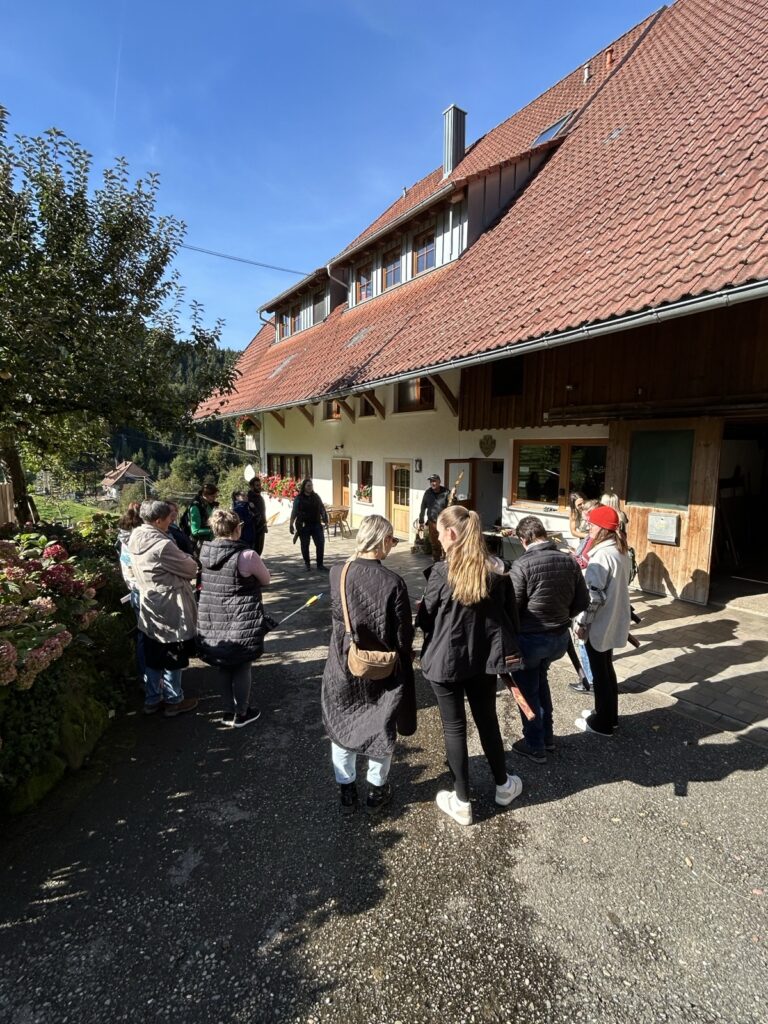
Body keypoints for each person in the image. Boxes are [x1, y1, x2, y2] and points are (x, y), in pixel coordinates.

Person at [416, 505, 523, 826]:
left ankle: (462, 801)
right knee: (487, 720)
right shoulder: (497, 571)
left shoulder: (441, 572)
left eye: (438, 532)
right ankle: (503, 785)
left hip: (445, 662)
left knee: (454, 728)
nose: (437, 537)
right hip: (483, 660)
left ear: (451, 534)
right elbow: (511, 618)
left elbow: (425, 620)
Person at [322, 515, 415, 813]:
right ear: (383, 541)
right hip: (382, 668)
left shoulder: (338, 573)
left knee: (342, 726)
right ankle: (376, 790)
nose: (393, 545)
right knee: (381, 725)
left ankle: (346, 790)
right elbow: (403, 635)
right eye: (393, 540)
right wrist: (406, 656)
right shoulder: (393, 582)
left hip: (343, 663)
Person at [508, 516, 589, 763]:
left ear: (524, 539)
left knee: (528, 690)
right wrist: (561, 616)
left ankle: (535, 744)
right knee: (540, 683)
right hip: (558, 638)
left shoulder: (522, 565)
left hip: (530, 639)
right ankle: (547, 737)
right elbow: (583, 601)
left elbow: (512, 607)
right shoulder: (569, 561)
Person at [197, 509, 271, 728]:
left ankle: (228, 711)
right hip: (240, 615)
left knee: (223, 664)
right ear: (238, 528)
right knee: (241, 665)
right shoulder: (246, 555)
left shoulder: (205, 552)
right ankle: (242, 712)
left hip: (213, 614)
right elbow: (266, 579)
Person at [129, 500, 199, 717]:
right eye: (169, 518)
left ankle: (152, 699)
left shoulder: (135, 536)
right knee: (172, 654)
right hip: (169, 604)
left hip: (149, 602)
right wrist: (187, 558)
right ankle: (174, 700)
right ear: (158, 521)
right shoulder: (162, 545)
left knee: (152, 654)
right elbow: (191, 568)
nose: (172, 521)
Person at [573, 505, 632, 737]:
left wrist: (581, 624)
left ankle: (603, 724)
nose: (588, 527)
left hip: (599, 622)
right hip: (613, 617)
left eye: (592, 524)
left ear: (602, 528)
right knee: (606, 668)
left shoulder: (601, 555)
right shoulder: (620, 549)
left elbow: (593, 597)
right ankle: (607, 715)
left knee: (600, 672)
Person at [117, 505, 145, 686]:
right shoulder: (137, 542)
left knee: (142, 637)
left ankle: (145, 678)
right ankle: (155, 682)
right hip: (146, 592)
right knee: (153, 639)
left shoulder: (123, 541)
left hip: (134, 591)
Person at [290, 478, 329, 571]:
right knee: (305, 545)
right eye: (308, 486)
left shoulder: (316, 497)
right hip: (304, 525)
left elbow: (322, 508)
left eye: (311, 485)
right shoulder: (299, 498)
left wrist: (325, 520)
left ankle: (320, 564)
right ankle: (307, 563)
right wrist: (291, 524)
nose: (310, 487)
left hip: (316, 524)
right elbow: (294, 512)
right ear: (304, 487)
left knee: (320, 543)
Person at [418, 475, 450, 561]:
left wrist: (453, 497)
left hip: (443, 523)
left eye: (435, 481)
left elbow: (452, 505)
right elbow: (423, 507)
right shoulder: (428, 493)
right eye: (431, 481)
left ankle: (446, 562)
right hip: (432, 523)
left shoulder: (446, 492)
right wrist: (421, 521)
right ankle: (436, 562)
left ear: (439, 482)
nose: (433, 483)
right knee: (434, 544)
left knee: (445, 542)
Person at [185, 484, 219, 552]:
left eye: (215, 496)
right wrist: (212, 531)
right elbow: (195, 531)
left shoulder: (208, 504)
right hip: (200, 544)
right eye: (212, 496)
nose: (214, 498)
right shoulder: (195, 507)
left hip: (209, 542)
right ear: (204, 494)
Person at [246, 478, 268, 555]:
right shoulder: (249, 498)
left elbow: (263, 512)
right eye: (257, 485)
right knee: (255, 550)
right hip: (254, 528)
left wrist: (265, 525)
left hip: (261, 527)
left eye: (260, 485)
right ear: (252, 487)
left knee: (259, 549)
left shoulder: (259, 497)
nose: (259, 487)